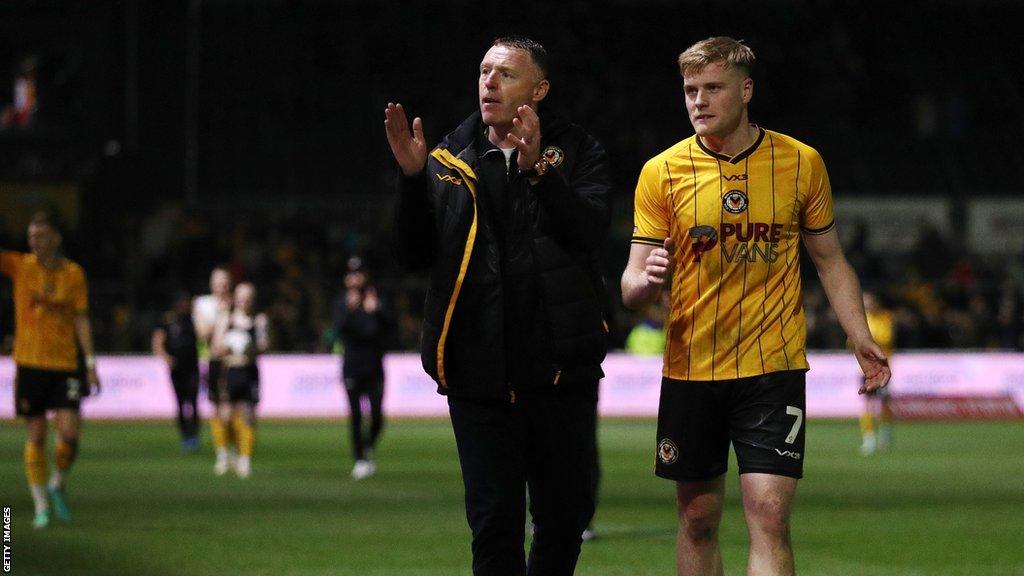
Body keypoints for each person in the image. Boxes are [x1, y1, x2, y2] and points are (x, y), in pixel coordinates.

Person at [620, 37, 891, 576]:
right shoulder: (661, 172)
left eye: (712, 88)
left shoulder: (800, 162)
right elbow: (631, 283)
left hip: (774, 367)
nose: (698, 101)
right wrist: (646, 281)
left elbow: (831, 260)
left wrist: (859, 336)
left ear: (746, 90)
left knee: (769, 516)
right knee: (698, 517)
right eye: (690, 90)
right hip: (692, 366)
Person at [385, 36, 611, 576]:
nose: (489, 81)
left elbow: (590, 235)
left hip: (559, 373)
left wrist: (540, 171)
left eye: (506, 73)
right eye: (485, 70)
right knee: (493, 526)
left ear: (540, 89)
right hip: (478, 375)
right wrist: (412, 181)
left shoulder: (578, 151)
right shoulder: (445, 160)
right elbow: (413, 256)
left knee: (562, 523)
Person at [1, 212, 101, 529]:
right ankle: (41, 504)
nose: (34, 242)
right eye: (31, 236)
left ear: (56, 238)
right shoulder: (21, 265)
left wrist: (91, 363)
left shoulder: (74, 274)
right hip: (30, 363)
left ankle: (57, 482)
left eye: (41, 235)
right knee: (37, 435)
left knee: (70, 434)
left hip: (66, 364)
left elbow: (81, 318)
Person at [334, 256, 390, 480]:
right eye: (350, 274)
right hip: (352, 366)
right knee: (356, 416)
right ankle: (359, 459)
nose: (354, 278)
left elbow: (388, 327)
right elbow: (339, 329)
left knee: (377, 416)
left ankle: (367, 447)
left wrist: (376, 310)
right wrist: (351, 310)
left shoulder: (377, 299)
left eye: (358, 273)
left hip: (374, 365)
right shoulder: (342, 302)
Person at [210, 282, 268, 478]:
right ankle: (225, 454)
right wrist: (229, 346)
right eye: (242, 296)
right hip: (230, 372)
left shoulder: (259, 320)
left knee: (249, 416)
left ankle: (245, 459)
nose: (245, 301)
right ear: (236, 298)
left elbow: (264, 345)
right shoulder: (226, 319)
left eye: (248, 297)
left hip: (249, 372)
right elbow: (216, 348)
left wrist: (251, 347)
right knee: (225, 415)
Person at [192, 267, 234, 474]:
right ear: (211, 284)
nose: (221, 286)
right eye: (217, 281)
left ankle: (235, 450)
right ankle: (222, 453)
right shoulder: (203, 304)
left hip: (234, 362)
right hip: (214, 362)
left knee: (234, 410)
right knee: (217, 409)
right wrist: (222, 314)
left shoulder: (238, 302)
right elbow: (203, 334)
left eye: (225, 281)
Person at [152, 290, 201, 453]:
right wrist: (167, 358)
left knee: (193, 402)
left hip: (192, 368)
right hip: (176, 369)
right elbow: (158, 341)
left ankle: (194, 435)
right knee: (180, 404)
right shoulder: (168, 320)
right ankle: (185, 435)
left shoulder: (194, 320)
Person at [858, 291, 895, 455]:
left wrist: (868, 340)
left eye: (869, 301)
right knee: (866, 404)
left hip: (883, 370)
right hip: (865, 370)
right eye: (864, 302)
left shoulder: (885, 318)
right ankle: (869, 438)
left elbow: (887, 337)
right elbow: (852, 342)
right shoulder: (861, 321)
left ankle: (885, 432)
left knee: (884, 403)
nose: (867, 305)